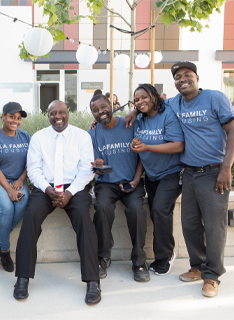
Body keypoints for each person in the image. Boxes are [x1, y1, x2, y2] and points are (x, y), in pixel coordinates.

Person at [124, 61, 234, 298]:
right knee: (191, 224)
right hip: (190, 172)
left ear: (197, 77)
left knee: (214, 227)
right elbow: (151, 102)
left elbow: (232, 129)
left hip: (214, 171)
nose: (182, 80)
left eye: (187, 75)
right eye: (178, 77)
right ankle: (197, 266)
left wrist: (227, 167)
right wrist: (134, 110)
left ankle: (212, 276)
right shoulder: (175, 103)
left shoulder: (215, 98)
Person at [13, 100, 101, 305]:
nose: (58, 116)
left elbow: (87, 170)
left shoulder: (82, 136)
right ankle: (22, 278)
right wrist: (48, 190)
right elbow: (33, 170)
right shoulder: (39, 137)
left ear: (68, 113)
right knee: (31, 216)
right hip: (46, 188)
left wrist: (69, 193)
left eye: (61, 112)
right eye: (53, 113)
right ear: (48, 115)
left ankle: (92, 282)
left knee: (84, 221)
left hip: (75, 188)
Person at [88, 94, 149, 282]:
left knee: (137, 210)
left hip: (132, 182)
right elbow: (91, 166)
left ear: (112, 106)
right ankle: (103, 256)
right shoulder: (92, 133)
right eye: (95, 110)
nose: (100, 112)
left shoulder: (130, 124)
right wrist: (96, 167)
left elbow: (141, 156)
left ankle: (139, 262)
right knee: (103, 209)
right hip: (106, 184)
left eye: (103, 107)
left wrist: (136, 180)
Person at [131, 84, 184, 276]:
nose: (140, 101)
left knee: (160, 209)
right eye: (137, 99)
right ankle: (162, 253)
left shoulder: (167, 114)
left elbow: (178, 145)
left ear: (154, 96)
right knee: (158, 213)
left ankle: (165, 256)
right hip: (151, 175)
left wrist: (146, 147)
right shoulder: (139, 120)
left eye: (144, 97)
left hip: (172, 172)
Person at [0, 102, 30, 272]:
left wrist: (20, 180)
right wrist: (9, 189)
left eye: (18, 118)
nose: (15, 121)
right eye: (11, 116)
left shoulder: (25, 137)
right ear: (3, 116)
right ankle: (4, 250)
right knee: (6, 208)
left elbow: (31, 163)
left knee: (23, 204)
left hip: (18, 180)